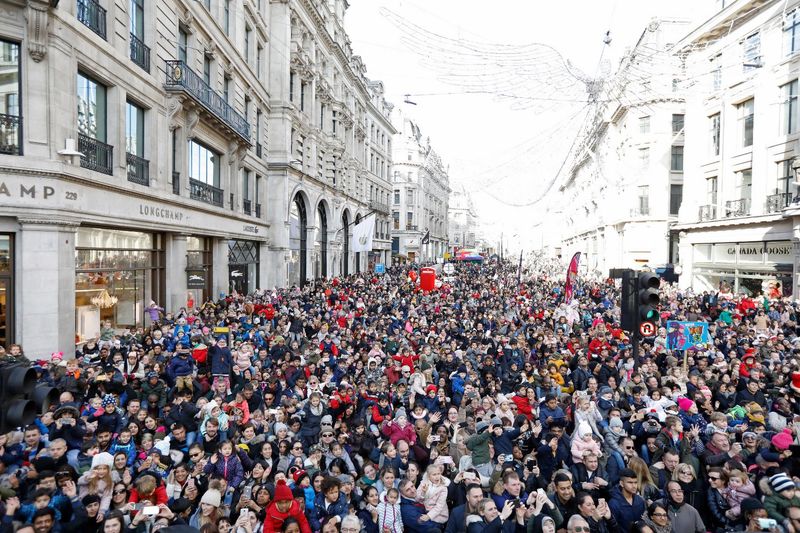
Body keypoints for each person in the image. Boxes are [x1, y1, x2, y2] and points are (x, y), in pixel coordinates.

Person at [608, 468, 646, 533]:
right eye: (630, 482)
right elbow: (612, 527)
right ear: (621, 483)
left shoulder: (640, 501)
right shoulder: (614, 504)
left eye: (635, 482)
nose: (634, 486)